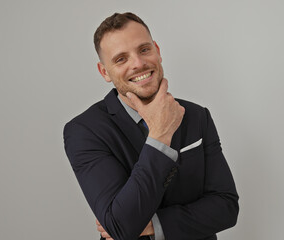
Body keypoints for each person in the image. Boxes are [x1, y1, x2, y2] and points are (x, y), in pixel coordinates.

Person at [63, 12, 239, 240]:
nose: (138, 64)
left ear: (157, 50)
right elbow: (122, 227)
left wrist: (152, 225)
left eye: (144, 49)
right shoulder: (84, 131)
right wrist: (160, 135)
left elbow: (226, 207)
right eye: (121, 59)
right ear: (104, 71)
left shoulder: (197, 116)